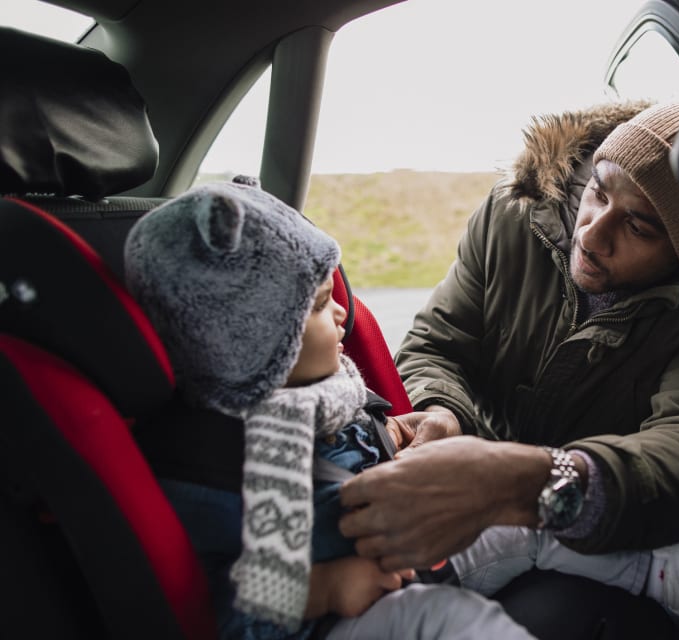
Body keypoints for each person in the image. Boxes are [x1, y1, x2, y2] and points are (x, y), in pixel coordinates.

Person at [338, 100, 679, 639]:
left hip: (619, 551)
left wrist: (533, 482)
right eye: (599, 193)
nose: (594, 234)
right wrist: (443, 412)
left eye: (637, 226)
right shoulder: (514, 215)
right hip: (477, 521)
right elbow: (439, 343)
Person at [124, 176, 536, 640]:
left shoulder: (316, 395)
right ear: (253, 339)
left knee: (524, 514)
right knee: (442, 615)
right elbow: (215, 609)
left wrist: (395, 432)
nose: (342, 311)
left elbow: (341, 450)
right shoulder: (234, 457)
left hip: (397, 554)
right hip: (329, 622)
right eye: (320, 303)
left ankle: (636, 565)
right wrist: (326, 587)